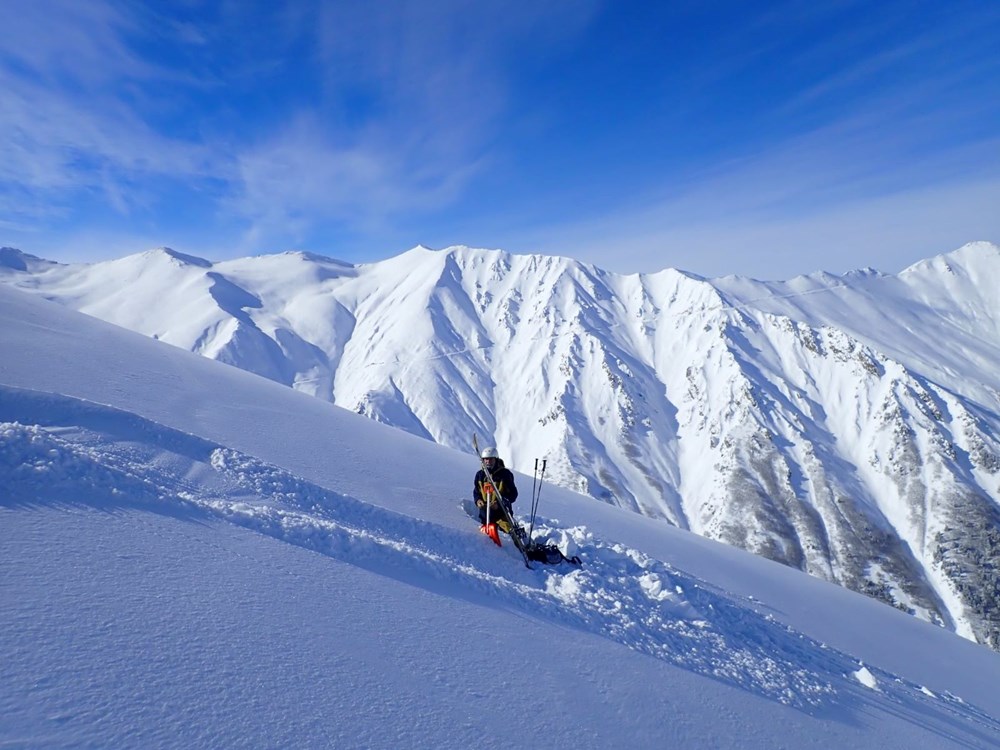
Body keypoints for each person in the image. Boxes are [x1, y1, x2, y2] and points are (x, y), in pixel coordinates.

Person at [473, 447, 518, 530]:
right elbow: (476, 492)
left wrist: (499, 503)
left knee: (506, 535)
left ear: (496, 459)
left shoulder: (505, 474)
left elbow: (513, 494)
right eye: (486, 459)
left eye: (491, 459)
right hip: (485, 516)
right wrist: (478, 500)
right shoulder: (480, 475)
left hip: (503, 515)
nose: (488, 462)